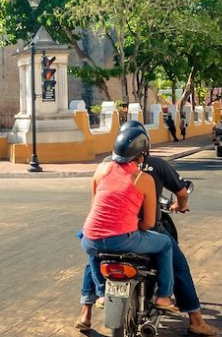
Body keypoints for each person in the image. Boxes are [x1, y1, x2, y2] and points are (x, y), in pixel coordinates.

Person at [78, 121, 218, 335]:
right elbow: (152, 220)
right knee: (176, 262)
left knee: (92, 253)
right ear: (142, 152)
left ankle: (89, 307)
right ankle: (188, 314)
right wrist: (179, 207)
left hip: (94, 233)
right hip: (129, 233)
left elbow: (93, 205)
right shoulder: (149, 172)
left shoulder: (104, 166)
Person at [76, 125, 179, 331]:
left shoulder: (101, 170)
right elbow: (149, 223)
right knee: (166, 243)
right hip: (123, 238)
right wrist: (132, 226)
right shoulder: (143, 179)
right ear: (141, 156)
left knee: (93, 250)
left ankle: (102, 292)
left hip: (91, 237)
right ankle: (164, 297)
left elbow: (95, 206)